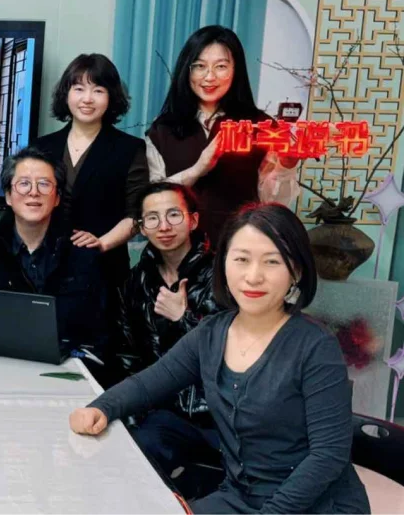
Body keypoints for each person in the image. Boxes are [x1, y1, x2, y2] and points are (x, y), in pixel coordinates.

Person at [70, 204, 369, 514]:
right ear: (223, 264)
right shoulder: (211, 334)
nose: (253, 276)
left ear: (296, 271)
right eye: (241, 259)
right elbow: (148, 385)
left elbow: (328, 455)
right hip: (241, 498)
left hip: (317, 505)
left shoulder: (315, 346)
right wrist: (101, 407)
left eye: (272, 261)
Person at [33, 53, 149, 360]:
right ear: (66, 94)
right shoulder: (42, 147)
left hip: (104, 272)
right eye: (79, 88)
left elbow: (137, 214)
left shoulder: (129, 148)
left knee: (99, 360)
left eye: (98, 90)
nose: (87, 98)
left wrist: (102, 243)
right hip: (46, 270)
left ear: (111, 98)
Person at [146, 25, 298, 245]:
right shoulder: (163, 129)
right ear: (187, 70)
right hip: (178, 250)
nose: (209, 77)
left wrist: (286, 165)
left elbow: (274, 203)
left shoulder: (261, 126)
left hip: (240, 246)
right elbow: (152, 200)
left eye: (221, 67)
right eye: (199, 66)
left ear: (236, 71)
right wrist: (198, 169)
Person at [119, 182, 222, 499]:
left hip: (223, 413)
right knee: (128, 460)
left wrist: (184, 318)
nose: (164, 226)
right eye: (152, 218)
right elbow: (128, 355)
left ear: (193, 220)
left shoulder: (224, 274)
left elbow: (235, 354)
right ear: (142, 228)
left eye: (174, 215)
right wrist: (132, 414)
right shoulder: (136, 281)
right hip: (167, 415)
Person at [0, 146, 71, 318]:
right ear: (8, 196)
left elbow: (99, 326)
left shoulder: (80, 251)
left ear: (57, 198)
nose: (34, 192)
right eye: (24, 183)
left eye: (44, 184)